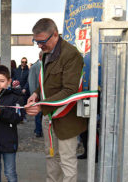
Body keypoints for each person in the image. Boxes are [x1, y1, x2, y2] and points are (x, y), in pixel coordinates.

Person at [25, 18, 87, 182]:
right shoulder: (47, 52)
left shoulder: (71, 54)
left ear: (55, 35)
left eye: (42, 41)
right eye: (36, 42)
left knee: (67, 162)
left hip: (66, 119)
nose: (39, 46)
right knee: (51, 158)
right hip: (49, 116)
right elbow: (46, 81)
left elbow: (69, 90)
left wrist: (40, 106)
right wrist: (36, 94)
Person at [28, 51, 43, 137]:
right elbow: (31, 82)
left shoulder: (46, 66)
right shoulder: (34, 67)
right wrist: (33, 94)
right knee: (38, 114)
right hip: (37, 95)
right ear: (40, 57)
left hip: (45, 95)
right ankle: (38, 131)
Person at [12, 57, 29, 122]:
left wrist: (25, 88)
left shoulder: (28, 71)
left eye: (25, 62)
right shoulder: (16, 70)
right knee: (16, 103)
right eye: (22, 62)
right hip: (16, 89)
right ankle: (16, 117)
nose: (24, 63)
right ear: (20, 62)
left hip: (23, 90)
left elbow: (28, 81)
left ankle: (23, 117)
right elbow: (13, 78)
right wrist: (14, 82)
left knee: (23, 104)